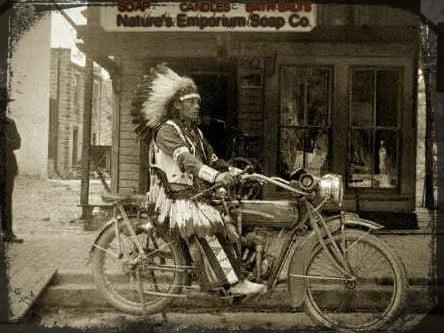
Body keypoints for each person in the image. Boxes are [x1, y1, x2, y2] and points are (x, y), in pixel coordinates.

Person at [131, 64, 265, 295]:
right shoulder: (166, 131)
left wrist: (236, 172)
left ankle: (239, 270)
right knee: (208, 227)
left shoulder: (195, 132)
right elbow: (186, 161)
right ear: (177, 105)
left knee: (231, 217)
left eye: (198, 102)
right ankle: (234, 284)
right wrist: (216, 176)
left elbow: (213, 159)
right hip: (174, 197)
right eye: (191, 102)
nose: (197, 106)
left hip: (192, 193)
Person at [0, 88, 23, 243]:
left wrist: (6, 143)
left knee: (7, 200)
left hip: (8, 167)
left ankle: (8, 233)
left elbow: (17, 143)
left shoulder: (10, 123)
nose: (2, 107)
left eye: (4, 104)